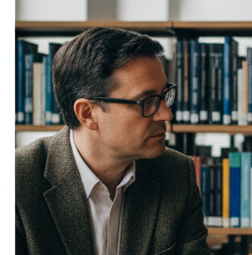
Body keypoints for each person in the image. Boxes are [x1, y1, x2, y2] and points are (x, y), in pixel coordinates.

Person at [16, 27, 209, 255]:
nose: (166, 114)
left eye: (164, 95)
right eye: (146, 101)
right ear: (87, 113)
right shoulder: (17, 180)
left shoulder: (176, 173)